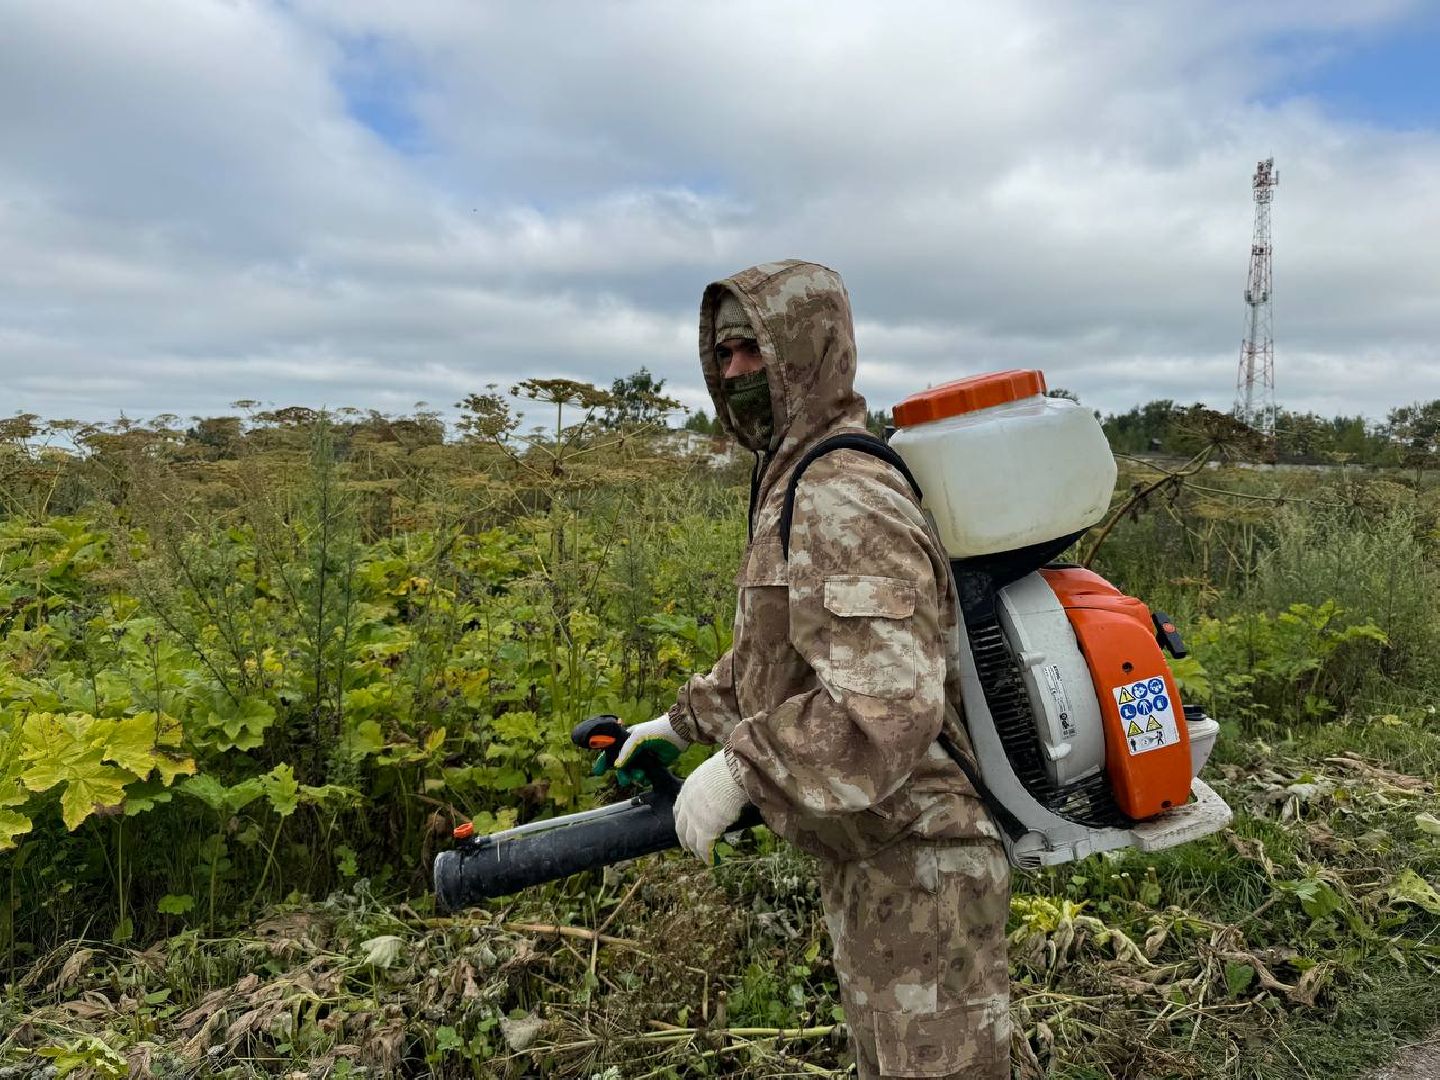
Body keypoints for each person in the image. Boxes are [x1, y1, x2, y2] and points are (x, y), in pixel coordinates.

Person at [614, 260, 1012, 1079]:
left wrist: (744, 770)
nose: (732, 373)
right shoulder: (793, 477)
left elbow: (890, 706)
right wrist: (684, 720)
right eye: (721, 355)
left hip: (922, 853)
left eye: (751, 351)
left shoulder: (843, 491)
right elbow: (784, 650)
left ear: (806, 349)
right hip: (871, 849)